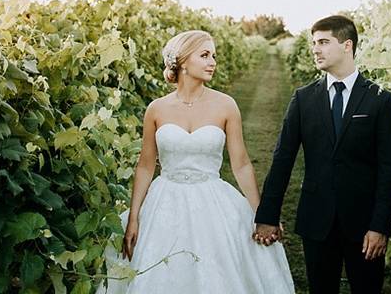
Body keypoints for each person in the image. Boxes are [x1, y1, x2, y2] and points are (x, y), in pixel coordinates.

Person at [99, 30, 294, 293]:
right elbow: (146, 165)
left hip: (213, 200)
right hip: (165, 201)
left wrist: (262, 213)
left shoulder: (226, 105)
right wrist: (134, 217)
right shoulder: (156, 109)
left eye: (213, 55)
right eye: (204, 55)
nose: (212, 61)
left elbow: (241, 164)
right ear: (182, 61)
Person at [254, 15, 391, 294]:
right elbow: (283, 159)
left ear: (347, 45)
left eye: (323, 42)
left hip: (364, 225)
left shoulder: (379, 99)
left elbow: (388, 168)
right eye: (313, 43)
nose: (315, 49)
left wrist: (380, 226)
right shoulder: (304, 98)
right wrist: (268, 215)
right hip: (316, 221)